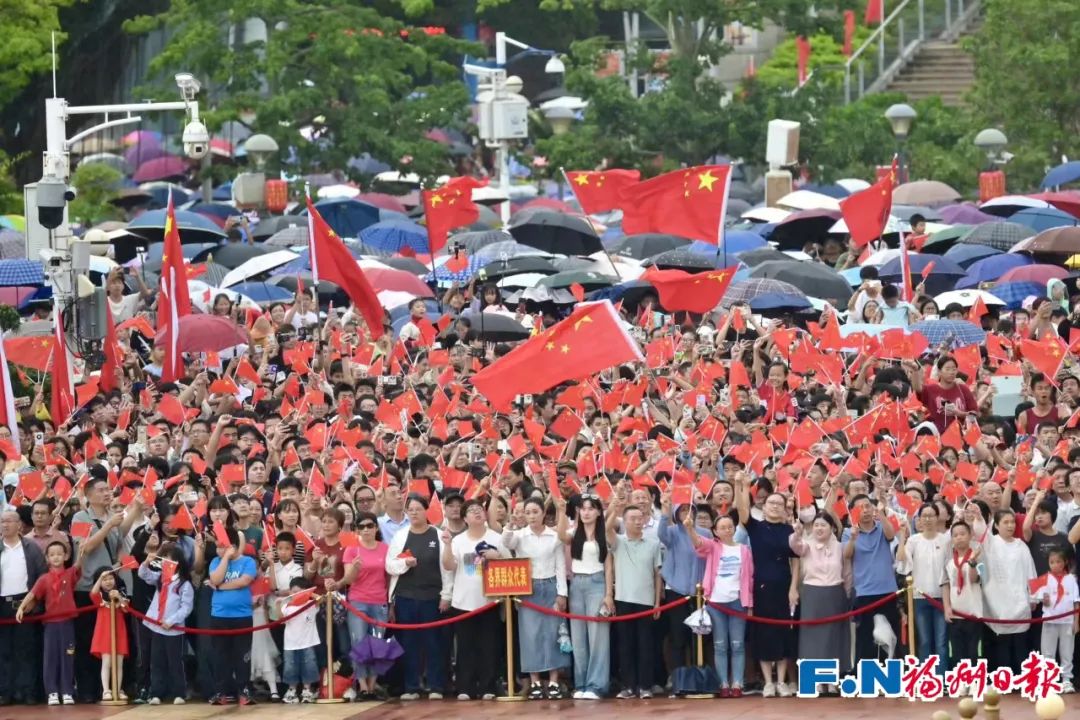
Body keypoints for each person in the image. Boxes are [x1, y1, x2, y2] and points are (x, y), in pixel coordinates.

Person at [735, 474, 797, 697]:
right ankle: (768, 682)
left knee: (782, 633)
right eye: (771, 503)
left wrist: (794, 587)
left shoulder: (789, 530)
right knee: (763, 632)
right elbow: (742, 511)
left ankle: (781, 681)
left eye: (779, 504)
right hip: (761, 585)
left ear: (784, 508)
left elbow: (795, 558)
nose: (775, 507)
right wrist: (741, 486)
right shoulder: (756, 527)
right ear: (764, 505)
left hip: (784, 585)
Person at [385, 494, 452, 700]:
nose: (414, 512)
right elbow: (390, 564)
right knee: (409, 643)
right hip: (405, 597)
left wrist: (446, 595)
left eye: (418, 509)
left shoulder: (438, 535)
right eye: (410, 509)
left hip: (432, 597)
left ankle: (435, 686)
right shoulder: (401, 536)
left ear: (426, 511)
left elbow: (447, 569)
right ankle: (412, 686)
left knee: (434, 643)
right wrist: (405, 564)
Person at [503, 496, 568, 700]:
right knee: (530, 635)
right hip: (527, 588)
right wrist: (511, 523)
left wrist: (562, 593)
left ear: (543, 514)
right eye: (527, 512)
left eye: (535, 512)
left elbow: (560, 566)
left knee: (552, 634)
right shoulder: (520, 535)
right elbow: (506, 542)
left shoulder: (554, 536)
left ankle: (554, 681)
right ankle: (536, 682)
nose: (531, 516)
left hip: (550, 586)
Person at [442, 499, 506, 700]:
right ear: (465, 518)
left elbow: (511, 564)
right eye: (471, 511)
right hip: (463, 602)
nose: (477, 513)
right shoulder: (458, 540)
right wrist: (447, 545)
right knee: (465, 646)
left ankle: (488, 686)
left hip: (490, 601)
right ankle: (465, 687)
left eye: (479, 509)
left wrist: (497, 556)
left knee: (489, 645)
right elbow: (449, 566)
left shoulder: (496, 537)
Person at [688, 505, 753, 697]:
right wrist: (690, 528)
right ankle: (723, 683)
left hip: (737, 602)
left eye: (729, 526)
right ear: (715, 531)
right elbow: (699, 543)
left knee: (738, 644)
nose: (726, 530)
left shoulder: (744, 550)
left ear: (734, 528)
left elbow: (749, 578)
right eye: (722, 527)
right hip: (716, 603)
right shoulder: (714, 546)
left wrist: (749, 604)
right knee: (719, 644)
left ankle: (737, 683)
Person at [605, 495, 662, 700]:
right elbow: (607, 528)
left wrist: (657, 602)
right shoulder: (618, 542)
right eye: (633, 518)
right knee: (625, 645)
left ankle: (645, 686)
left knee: (646, 645)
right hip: (623, 599)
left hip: (646, 601)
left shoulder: (653, 543)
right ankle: (628, 686)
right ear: (625, 520)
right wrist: (616, 509)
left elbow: (657, 575)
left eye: (640, 517)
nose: (638, 521)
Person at [16, 541, 86, 706]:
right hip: (50, 625)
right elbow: (33, 594)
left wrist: (81, 550)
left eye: (59, 554)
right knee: (50, 658)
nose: (56, 557)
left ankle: (67, 691)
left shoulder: (70, 574)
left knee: (67, 657)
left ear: (66, 556)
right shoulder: (44, 579)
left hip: (67, 623)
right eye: (52, 554)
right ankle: (52, 692)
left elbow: (78, 564)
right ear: (47, 558)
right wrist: (21, 608)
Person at [557, 495, 613, 700]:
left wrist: (608, 594)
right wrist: (562, 511)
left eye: (591, 509)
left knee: (598, 635)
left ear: (599, 512)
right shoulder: (574, 532)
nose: (586, 512)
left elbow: (608, 566)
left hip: (597, 583)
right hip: (577, 585)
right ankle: (580, 683)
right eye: (583, 509)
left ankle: (597, 684)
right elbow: (562, 536)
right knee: (578, 636)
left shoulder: (604, 533)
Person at [789, 512, 849, 693]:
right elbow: (794, 546)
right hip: (812, 594)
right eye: (816, 525)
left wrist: (847, 594)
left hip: (835, 593)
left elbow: (846, 572)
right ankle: (814, 679)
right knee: (812, 639)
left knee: (833, 638)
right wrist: (797, 533)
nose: (819, 528)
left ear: (832, 528)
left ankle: (832, 680)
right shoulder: (807, 545)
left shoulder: (840, 547)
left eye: (823, 525)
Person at [842, 495, 900, 663]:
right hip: (864, 592)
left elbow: (891, 536)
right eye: (860, 507)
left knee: (891, 635)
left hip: (888, 589)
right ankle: (866, 677)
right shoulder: (848, 532)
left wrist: (881, 514)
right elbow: (847, 555)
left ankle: (891, 674)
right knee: (866, 636)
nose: (865, 510)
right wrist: (853, 538)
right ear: (853, 512)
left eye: (867, 506)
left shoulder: (882, 527)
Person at [0, 508, 47, 705]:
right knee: (4, 651)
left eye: (9, 521)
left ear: (19, 524)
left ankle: (28, 691)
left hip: (25, 603)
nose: (5, 525)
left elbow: (41, 575)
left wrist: (34, 600)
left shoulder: (31, 547)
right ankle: (5, 692)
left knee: (27, 650)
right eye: (2, 521)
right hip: (2, 604)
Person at [341, 510, 390, 699]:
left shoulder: (385, 548)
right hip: (358, 601)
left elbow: (388, 577)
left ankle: (372, 685)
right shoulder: (352, 549)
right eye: (362, 526)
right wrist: (354, 567)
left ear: (376, 528)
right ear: (356, 530)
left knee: (378, 644)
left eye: (370, 526)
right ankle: (362, 685)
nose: (366, 530)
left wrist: (390, 603)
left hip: (380, 601)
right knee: (359, 643)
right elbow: (348, 580)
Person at [138, 541, 194, 705]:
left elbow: (186, 608)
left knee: (175, 662)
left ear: (178, 563)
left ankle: (179, 693)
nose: (165, 563)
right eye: (163, 560)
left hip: (173, 629)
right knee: (157, 661)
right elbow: (143, 574)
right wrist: (147, 561)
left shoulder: (184, 584)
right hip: (156, 627)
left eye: (169, 560)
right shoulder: (160, 579)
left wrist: (171, 621)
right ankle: (157, 693)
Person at [207, 526, 258, 706]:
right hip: (219, 616)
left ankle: (244, 689)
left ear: (234, 546)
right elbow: (215, 578)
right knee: (220, 655)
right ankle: (221, 691)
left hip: (242, 615)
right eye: (218, 546)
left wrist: (220, 587)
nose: (218, 550)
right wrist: (225, 558)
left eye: (223, 547)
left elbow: (243, 582)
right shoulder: (216, 561)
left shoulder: (248, 562)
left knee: (242, 655)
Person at [982, 509, 1037, 673]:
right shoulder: (991, 543)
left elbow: (1031, 572)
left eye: (1012, 522)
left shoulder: (1021, 546)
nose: (1010, 525)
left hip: (1020, 601)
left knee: (1020, 644)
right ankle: (1003, 678)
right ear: (996, 525)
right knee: (1001, 645)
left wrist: (1033, 597)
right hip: (997, 603)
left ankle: (1021, 678)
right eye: (1005, 522)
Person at [897, 504, 950, 670]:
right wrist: (901, 536)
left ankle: (942, 680)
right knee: (924, 640)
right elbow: (901, 561)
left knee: (941, 641)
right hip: (919, 598)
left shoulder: (946, 540)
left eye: (931, 515)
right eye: (924, 516)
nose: (927, 519)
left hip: (942, 597)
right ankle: (926, 679)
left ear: (937, 517)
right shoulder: (914, 540)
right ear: (919, 519)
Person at [1034, 549, 1079, 693]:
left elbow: (1076, 602)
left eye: (1058, 561)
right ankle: (1049, 680)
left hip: (1067, 621)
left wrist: (1076, 622)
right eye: (1051, 562)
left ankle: (1066, 680)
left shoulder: (1071, 579)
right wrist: (1044, 600)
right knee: (1048, 652)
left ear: (1065, 562)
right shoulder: (1045, 579)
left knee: (1067, 652)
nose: (1055, 565)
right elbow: (1040, 599)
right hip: (1050, 621)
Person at [88, 568, 129, 702]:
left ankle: (118, 689)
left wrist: (119, 597)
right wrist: (100, 577)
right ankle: (106, 690)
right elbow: (92, 593)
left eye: (110, 578)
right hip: (104, 632)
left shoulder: (121, 593)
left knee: (119, 663)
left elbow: (126, 608)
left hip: (119, 633)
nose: (108, 581)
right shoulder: (99, 595)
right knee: (107, 662)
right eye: (104, 579)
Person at [279, 577, 320, 704]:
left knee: (309, 665)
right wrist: (278, 604)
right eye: (293, 591)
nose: (295, 595)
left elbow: (321, 599)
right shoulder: (287, 606)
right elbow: (281, 620)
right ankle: (292, 690)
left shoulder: (310, 605)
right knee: (290, 667)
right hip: (290, 644)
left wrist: (308, 594)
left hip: (307, 642)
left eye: (298, 592)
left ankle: (307, 690)